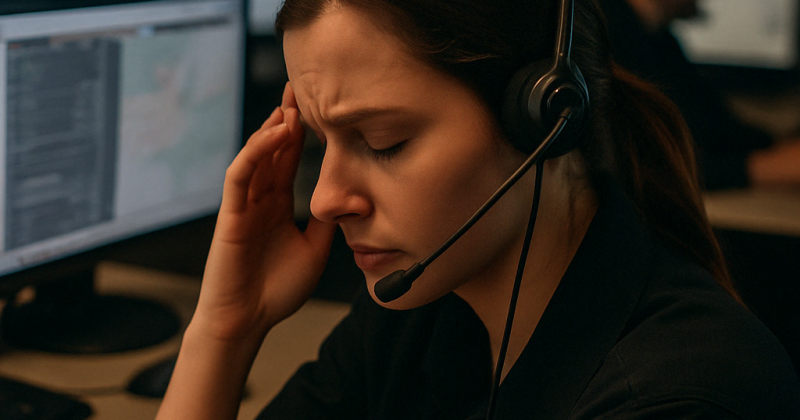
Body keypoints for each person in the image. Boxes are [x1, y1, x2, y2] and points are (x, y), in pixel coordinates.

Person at [156, 0, 800, 419]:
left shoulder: (682, 399)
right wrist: (226, 327)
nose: (323, 201)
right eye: (322, 146)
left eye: (384, 143)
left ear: (545, 121)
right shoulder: (424, 311)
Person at [602, 0, 800, 190]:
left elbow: (718, 130)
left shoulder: (664, 43)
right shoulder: (601, 37)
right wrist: (767, 167)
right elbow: (646, 167)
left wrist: (779, 145)